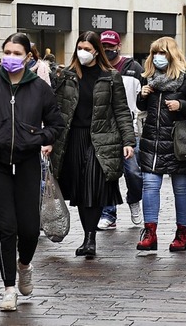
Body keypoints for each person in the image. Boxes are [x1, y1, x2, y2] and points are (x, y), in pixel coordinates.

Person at [0, 32, 64, 311]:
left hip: (27, 162)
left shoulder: (40, 88)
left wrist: (37, 138)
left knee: (30, 229)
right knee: (6, 228)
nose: (10, 57)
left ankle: (24, 264)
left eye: (16, 53)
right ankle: (9, 288)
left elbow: (56, 124)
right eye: (6, 51)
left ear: (28, 57)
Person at [50, 31, 135, 259]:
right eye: (80, 48)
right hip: (73, 137)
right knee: (80, 189)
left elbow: (121, 111)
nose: (83, 52)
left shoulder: (110, 76)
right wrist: (49, 139)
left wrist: (128, 140)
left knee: (93, 187)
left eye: (88, 48)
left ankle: (90, 238)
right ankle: (88, 236)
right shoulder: (66, 75)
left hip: (101, 138)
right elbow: (56, 110)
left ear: (97, 50)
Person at [135, 36, 186, 253]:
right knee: (149, 185)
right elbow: (142, 107)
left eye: (162, 53)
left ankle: (182, 234)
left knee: (181, 188)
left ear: (172, 54)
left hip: (180, 143)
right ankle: (150, 232)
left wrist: (181, 105)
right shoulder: (149, 78)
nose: (158, 57)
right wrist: (142, 95)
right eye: (155, 53)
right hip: (153, 141)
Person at [97, 30, 144, 230]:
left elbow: (143, 101)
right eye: (104, 46)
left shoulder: (133, 68)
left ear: (118, 46)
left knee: (133, 172)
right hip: (105, 131)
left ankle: (134, 199)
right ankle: (108, 213)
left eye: (110, 46)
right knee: (107, 174)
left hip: (131, 129)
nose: (107, 49)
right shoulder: (96, 67)